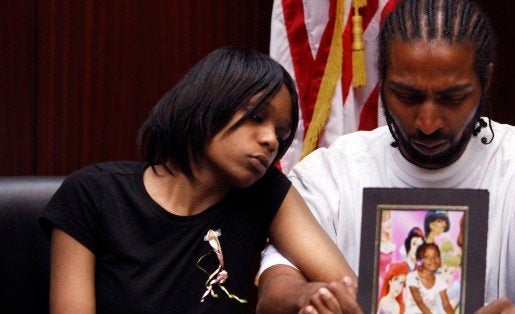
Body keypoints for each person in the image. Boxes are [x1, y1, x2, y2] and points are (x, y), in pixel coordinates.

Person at [257, 0, 515, 313]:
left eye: (452, 98)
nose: (428, 123)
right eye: (407, 96)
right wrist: (306, 297)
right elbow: (275, 289)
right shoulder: (331, 170)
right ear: (382, 81)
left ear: (485, 81)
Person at [39, 46, 355, 313]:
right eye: (257, 117)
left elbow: (350, 291)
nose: (271, 140)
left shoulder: (266, 193)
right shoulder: (94, 193)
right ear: (208, 104)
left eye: (281, 134)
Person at [405, 243, 454, 314]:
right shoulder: (412, 276)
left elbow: (446, 304)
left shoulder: (440, 281)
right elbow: (419, 302)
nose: (433, 259)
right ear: (420, 260)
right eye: (427, 257)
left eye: (436, 256)